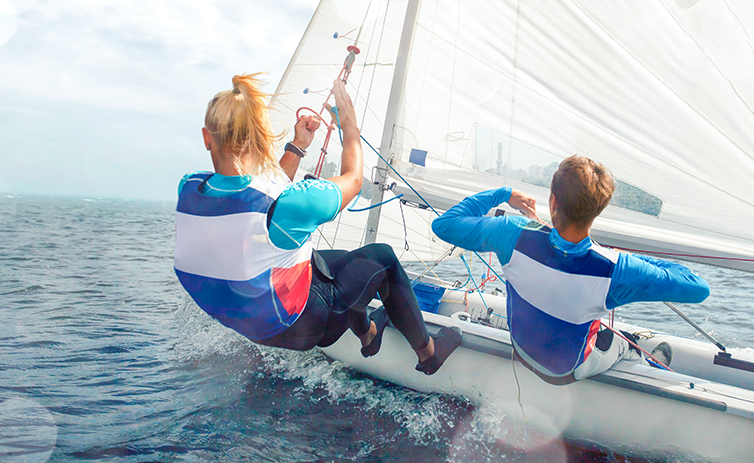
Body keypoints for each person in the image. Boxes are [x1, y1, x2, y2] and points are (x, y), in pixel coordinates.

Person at [174, 73, 460, 375]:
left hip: (244, 320)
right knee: (382, 258)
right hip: (301, 329)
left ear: (207, 138)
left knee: (325, 261)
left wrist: (298, 146)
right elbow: (352, 178)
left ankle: (368, 336)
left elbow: (257, 192)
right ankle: (429, 355)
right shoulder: (292, 202)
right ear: (260, 140)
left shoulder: (190, 187)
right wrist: (349, 127)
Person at [431, 155, 709, 383]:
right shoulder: (617, 269)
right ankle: (646, 362)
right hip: (566, 371)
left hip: (521, 348)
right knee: (618, 343)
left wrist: (504, 194)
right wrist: (629, 261)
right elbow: (698, 288)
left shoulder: (511, 232)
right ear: (599, 210)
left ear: (552, 202)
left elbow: (444, 225)